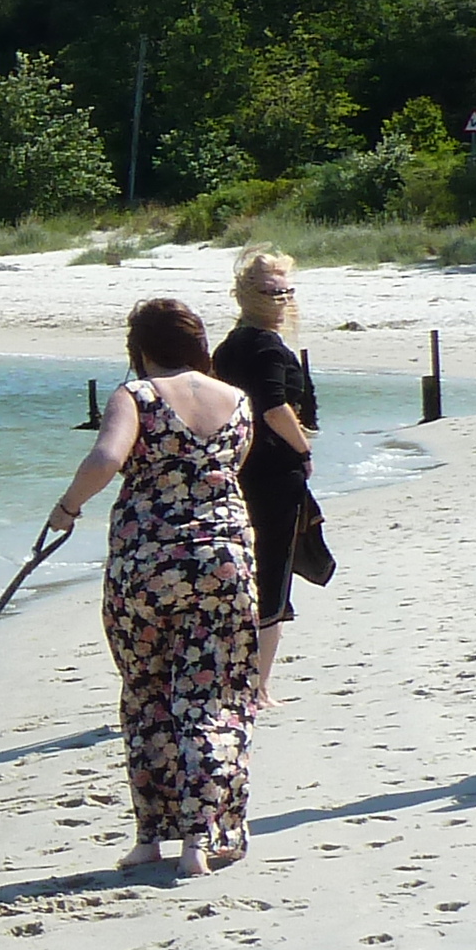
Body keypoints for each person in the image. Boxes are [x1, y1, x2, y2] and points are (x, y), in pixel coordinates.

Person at [49, 297, 257, 879]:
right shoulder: (238, 401)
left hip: (146, 566)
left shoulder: (136, 395)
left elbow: (107, 456)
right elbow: (230, 470)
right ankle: (205, 837)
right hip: (223, 562)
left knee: (147, 692)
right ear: (198, 345)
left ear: (139, 349)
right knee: (212, 696)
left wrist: (67, 508)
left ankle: (151, 839)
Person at [210, 247, 320, 709]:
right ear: (246, 295)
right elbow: (273, 407)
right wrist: (303, 447)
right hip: (272, 473)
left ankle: (239, 678)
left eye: (286, 291)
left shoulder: (230, 346)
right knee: (271, 574)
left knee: (243, 574)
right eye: (271, 291)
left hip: (237, 469)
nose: (280, 300)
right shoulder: (264, 347)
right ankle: (258, 686)